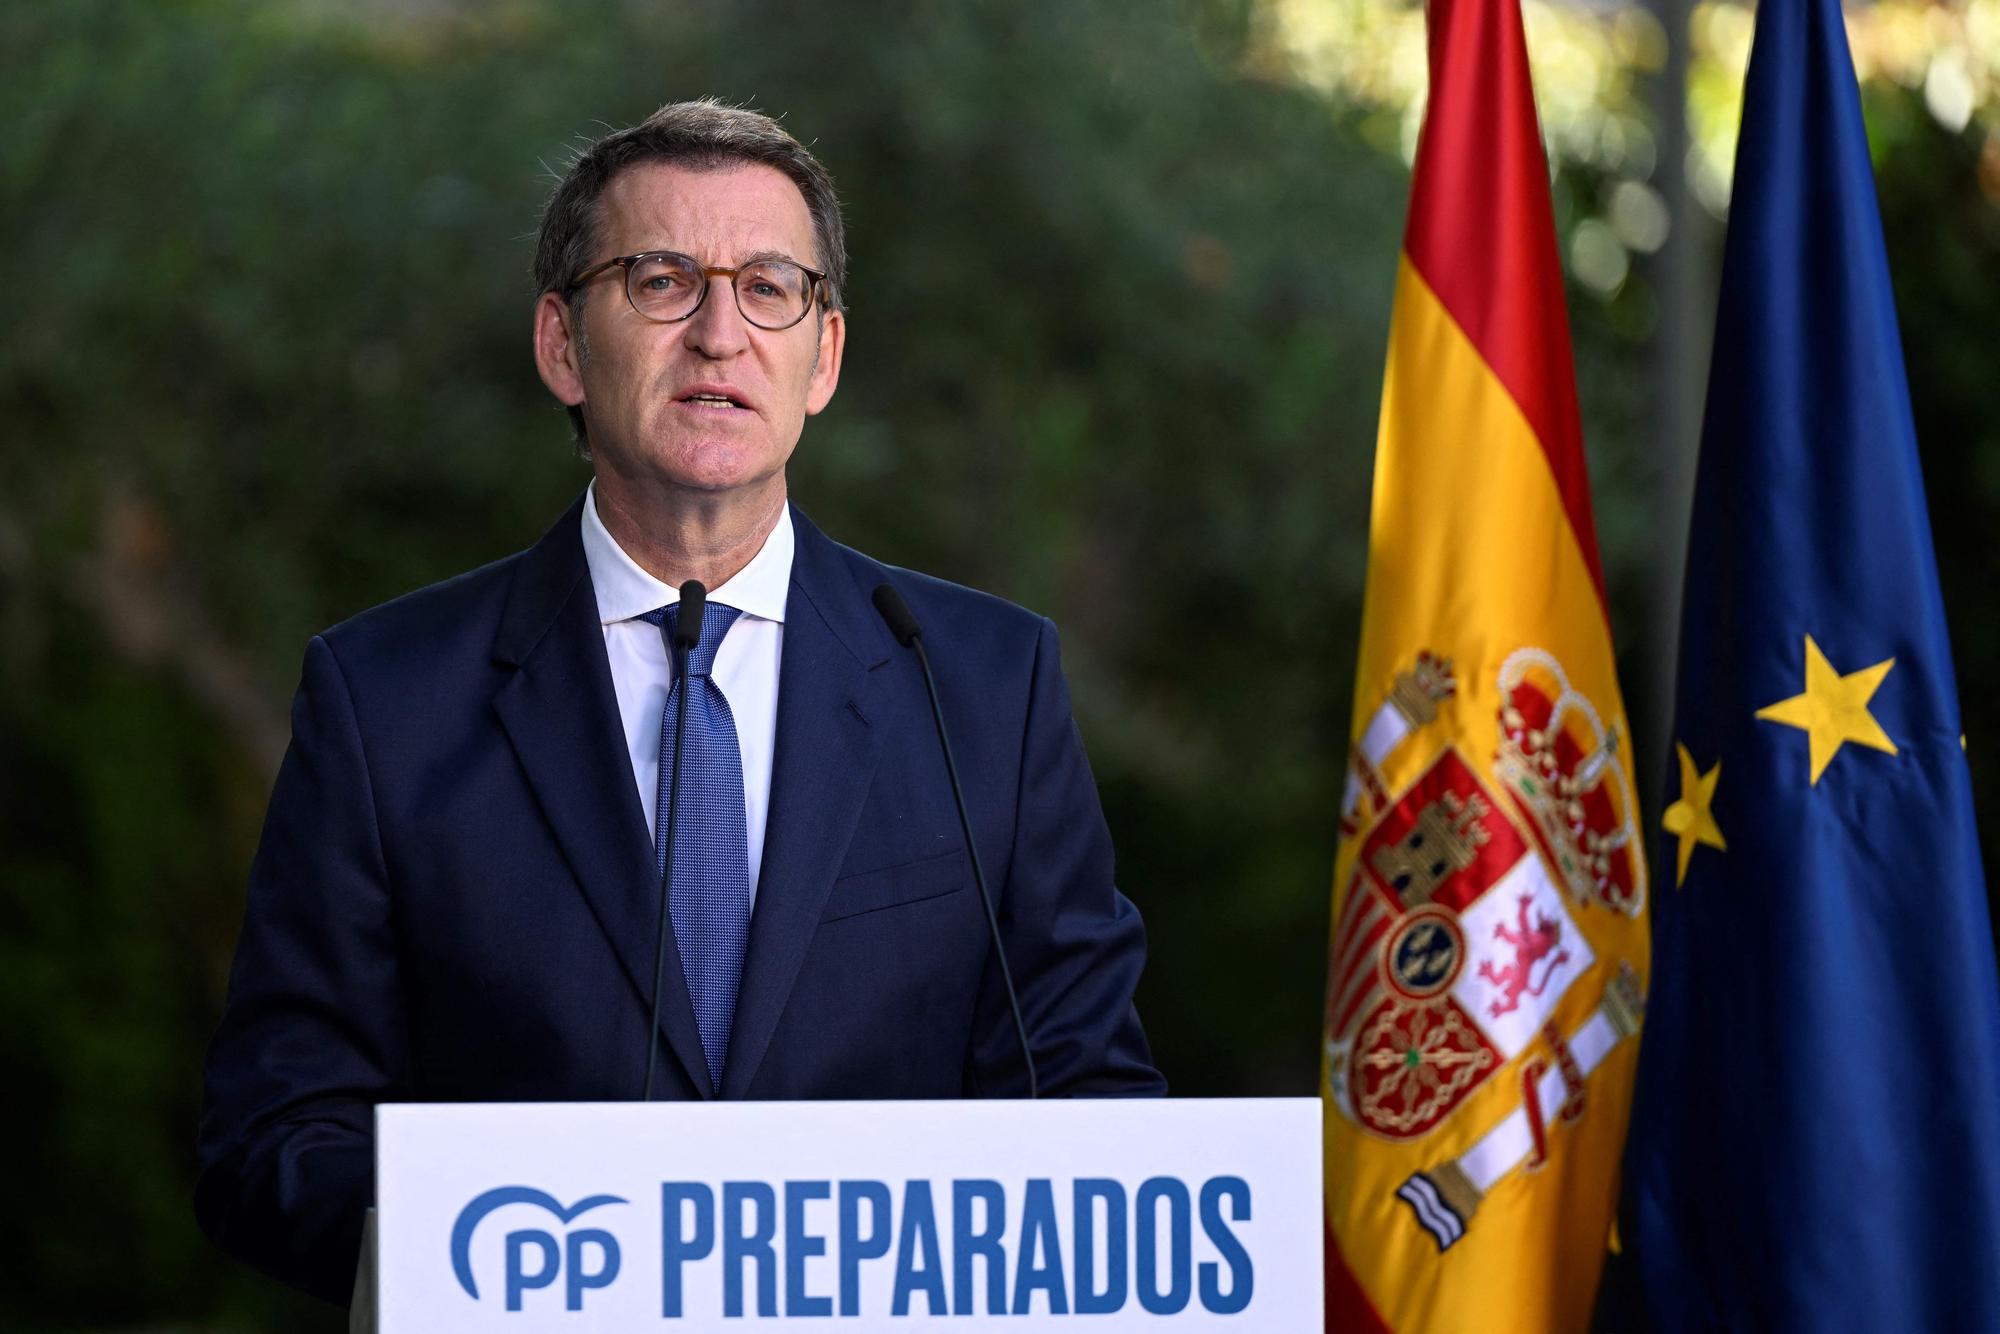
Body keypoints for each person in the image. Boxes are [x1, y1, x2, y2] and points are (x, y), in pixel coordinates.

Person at [194, 99, 1164, 1304]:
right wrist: (501, 1251)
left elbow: (1084, 1104)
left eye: (769, 287)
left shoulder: (981, 681)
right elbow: (275, 1130)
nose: (718, 333)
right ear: (562, 345)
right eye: (659, 280)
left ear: (825, 357)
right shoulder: (382, 696)